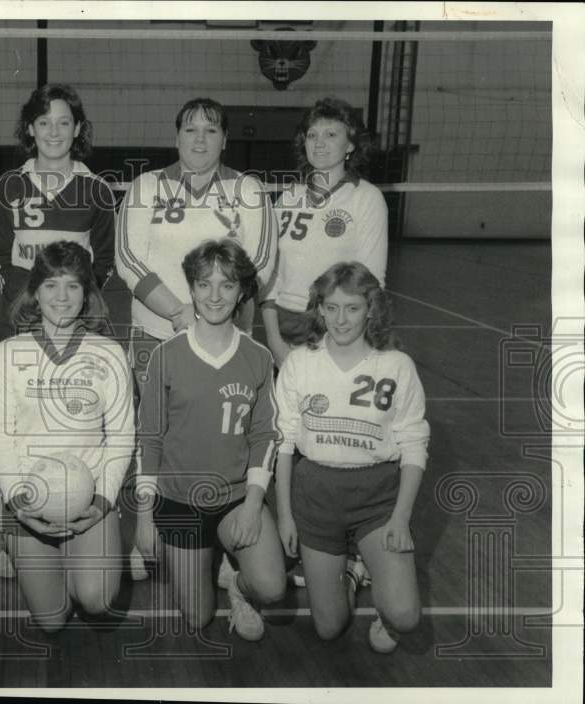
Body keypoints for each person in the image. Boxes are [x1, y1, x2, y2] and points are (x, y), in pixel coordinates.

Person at [116, 97, 279, 579]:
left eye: (211, 130)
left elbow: (261, 265)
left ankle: (222, 542)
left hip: (226, 342)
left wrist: (215, 317)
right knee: (152, 439)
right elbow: (127, 258)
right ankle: (144, 531)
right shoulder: (147, 186)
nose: (200, 139)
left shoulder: (248, 191)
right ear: (176, 137)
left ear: (225, 139)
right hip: (155, 335)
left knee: (218, 437)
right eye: (190, 129)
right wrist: (180, 313)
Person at [135, 238, 286, 640]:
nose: (215, 295)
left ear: (241, 292)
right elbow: (148, 438)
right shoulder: (166, 356)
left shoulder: (257, 357)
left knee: (272, 587)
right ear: (192, 289)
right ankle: (187, 553)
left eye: (227, 284)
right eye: (204, 284)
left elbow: (265, 435)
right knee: (198, 618)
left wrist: (254, 505)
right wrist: (145, 517)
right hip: (179, 500)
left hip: (235, 498)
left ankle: (238, 586)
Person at [274, 261, 428, 653]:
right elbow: (284, 443)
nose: (341, 319)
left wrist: (401, 518)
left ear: (371, 309)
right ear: (319, 308)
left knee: (406, 616)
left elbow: (413, 443)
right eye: (331, 307)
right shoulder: (299, 363)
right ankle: (350, 574)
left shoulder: (396, 365)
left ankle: (385, 611)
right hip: (317, 495)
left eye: (353, 308)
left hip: (377, 498)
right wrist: (287, 515)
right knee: (329, 628)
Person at [0, 241, 133, 632]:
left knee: (97, 599)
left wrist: (101, 502)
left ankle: (80, 552)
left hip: (90, 494)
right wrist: (18, 501)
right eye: (51, 285)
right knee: (51, 622)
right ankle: (16, 537)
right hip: (29, 497)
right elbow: (0, 438)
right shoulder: (7, 353)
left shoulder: (109, 354)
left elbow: (121, 438)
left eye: (72, 285)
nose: (62, 296)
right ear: (35, 292)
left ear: (87, 295)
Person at [262, 97, 388, 368]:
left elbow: (372, 280)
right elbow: (270, 277)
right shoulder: (287, 198)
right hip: (284, 327)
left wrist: (343, 339)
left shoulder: (365, 197)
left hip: (337, 328)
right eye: (312, 135)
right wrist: (274, 342)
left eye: (331, 134)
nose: (319, 143)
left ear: (351, 144)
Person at [0, 83, 116, 342]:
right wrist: (21, 296)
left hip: (74, 316)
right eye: (44, 123)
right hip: (20, 316)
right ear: (30, 128)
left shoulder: (97, 189)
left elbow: (104, 259)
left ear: (78, 128)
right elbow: (1, 254)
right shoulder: (9, 186)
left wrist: (76, 297)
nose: (54, 133)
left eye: (64, 123)